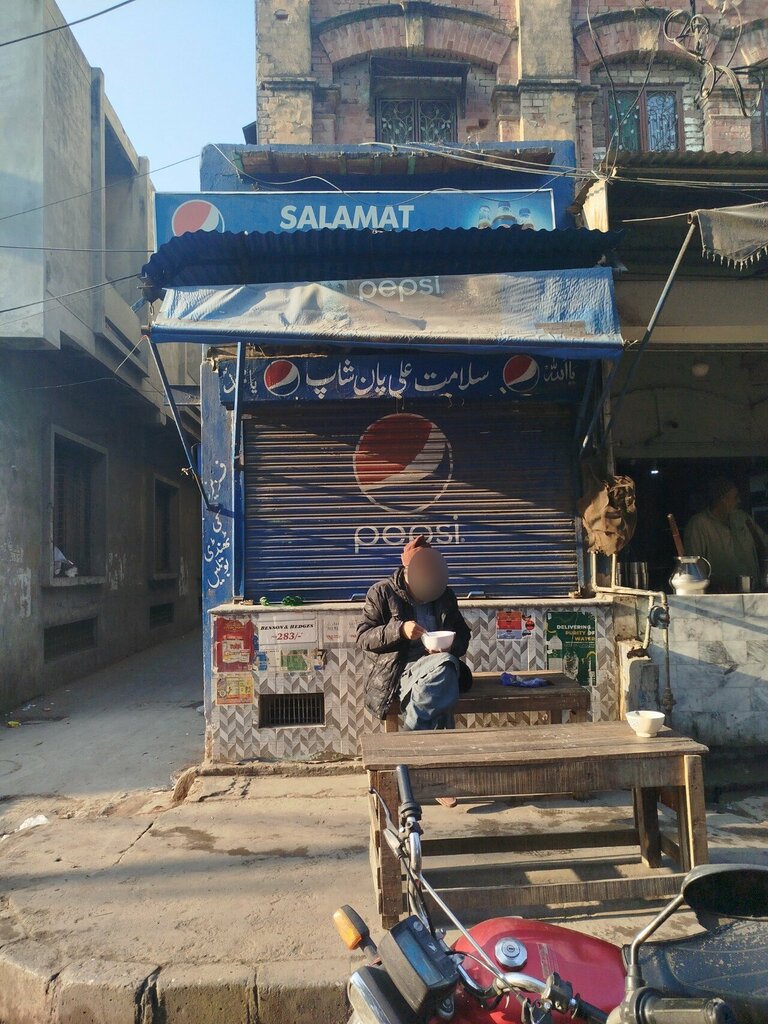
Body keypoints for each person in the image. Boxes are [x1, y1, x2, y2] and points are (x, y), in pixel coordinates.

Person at [357, 535, 472, 730]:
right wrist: (399, 630)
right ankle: (430, 743)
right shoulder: (382, 592)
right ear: (407, 571)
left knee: (443, 668)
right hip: (399, 670)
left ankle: (413, 737)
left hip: (436, 665)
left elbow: (463, 635)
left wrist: (449, 645)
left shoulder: (444, 595)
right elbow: (363, 637)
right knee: (446, 675)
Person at [684, 477, 768, 593]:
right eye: (735, 497)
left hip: (753, 591)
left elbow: (764, 545)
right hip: (720, 596)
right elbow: (694, 564)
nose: (739, 501)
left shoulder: (742, 518)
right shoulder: (698, 524)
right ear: (722, 499)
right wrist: (712, 586)